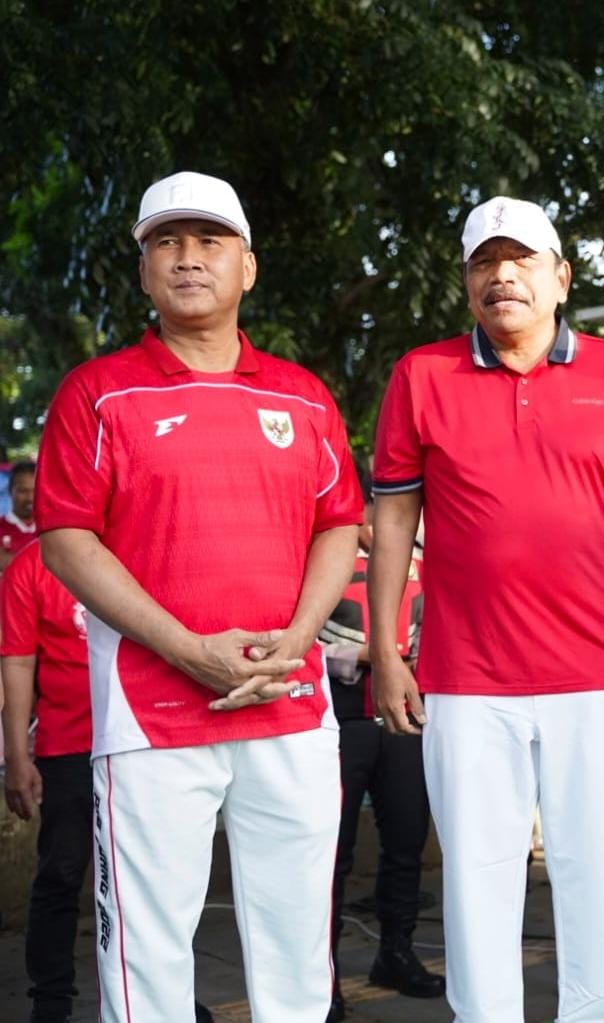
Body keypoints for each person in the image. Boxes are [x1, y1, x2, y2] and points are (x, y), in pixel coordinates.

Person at [32, 171, 363, 1022]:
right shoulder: (95, 392)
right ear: (143, 271)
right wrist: (186, 646)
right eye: (166, 244)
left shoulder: (303, 394)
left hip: (290, 707)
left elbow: (339, 521)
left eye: (209, 241)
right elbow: (68, 539)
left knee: (298, 955)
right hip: (152, 717)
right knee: (148, 958)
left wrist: (297, 638)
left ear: (247, 266)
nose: (188, 260)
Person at [369, 195, 604, 1023]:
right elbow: (394, 515)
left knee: (593, 879)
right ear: (466, 280)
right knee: (475, 885)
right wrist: (388, 646)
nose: (502, 275)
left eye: (522, 259)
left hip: (599, 678)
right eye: (484, 261)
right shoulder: (420, 374)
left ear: (561, 278)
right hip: (465, 681)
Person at [320, 485, 441, 1022]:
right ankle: (321, 979)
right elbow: (299, 641)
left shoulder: (422, 562)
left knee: (405, 843)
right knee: (332, 856)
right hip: (341, 722)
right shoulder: (323, 560)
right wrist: (361, 657)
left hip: (405, 723)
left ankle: (395, 952)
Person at [3, 537, 93, 1023]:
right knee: (61, 873)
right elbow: (16, 660)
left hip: (146, 743)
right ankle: (51, 1001)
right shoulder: (32, 565)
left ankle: (166, 993)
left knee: (153, 878)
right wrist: (18, 756)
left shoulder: (139, 544)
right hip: (69, 748)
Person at [1, 459, 37, 571]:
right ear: (10, 491)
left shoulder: (54, 530)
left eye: (35, 490)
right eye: (23, 491)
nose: (30, 498)